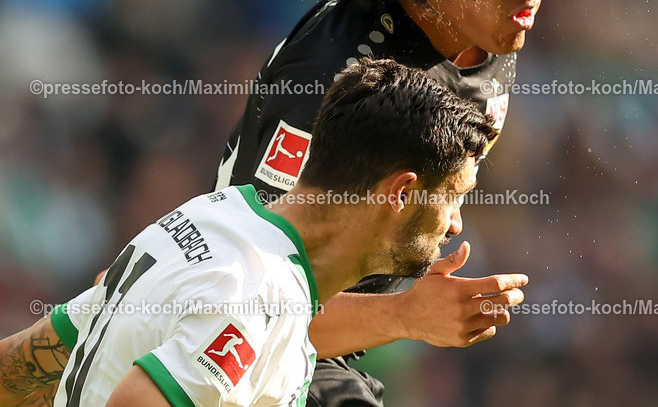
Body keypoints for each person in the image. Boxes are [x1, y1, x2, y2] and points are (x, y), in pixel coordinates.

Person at [213, 0, 627, 405]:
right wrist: (407, 315)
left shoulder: (486, 33)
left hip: (343, 343)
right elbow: (236, 303)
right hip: (250, 353)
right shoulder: (329, 85)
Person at [0, 59, 527, 407]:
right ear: (401, 192)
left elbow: (27, 363)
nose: (455, 222)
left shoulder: (210, 216)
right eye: (453, 195)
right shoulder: (258, 295)